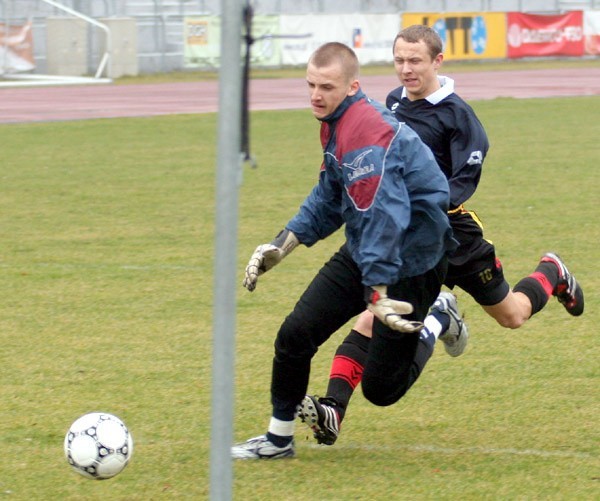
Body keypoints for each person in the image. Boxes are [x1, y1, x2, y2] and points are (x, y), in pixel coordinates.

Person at [297, 24, 585, 447]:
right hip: (408, 242)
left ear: (437, 61)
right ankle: (334, 408)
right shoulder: (392, 103)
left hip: (454, 236)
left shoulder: (459, 117)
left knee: (512, 315)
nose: (405, 69)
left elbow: (459, 185)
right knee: (374, 312)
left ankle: (549, 273)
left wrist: (408, 204)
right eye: (398, 60)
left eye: (415, 61)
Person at [231, 41, 457, 459]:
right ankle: (278, 441)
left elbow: (385, 215)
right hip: (370, 252)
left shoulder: (365, 134)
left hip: (414, 262)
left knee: (381, 389)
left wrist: (377, 288)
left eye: (327, 87)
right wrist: (284, 242)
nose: (316, 95)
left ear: (353, 86)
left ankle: (438, 317)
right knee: (295, 334)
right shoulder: (337, 121)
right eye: (311, 85)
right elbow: (331, 194)